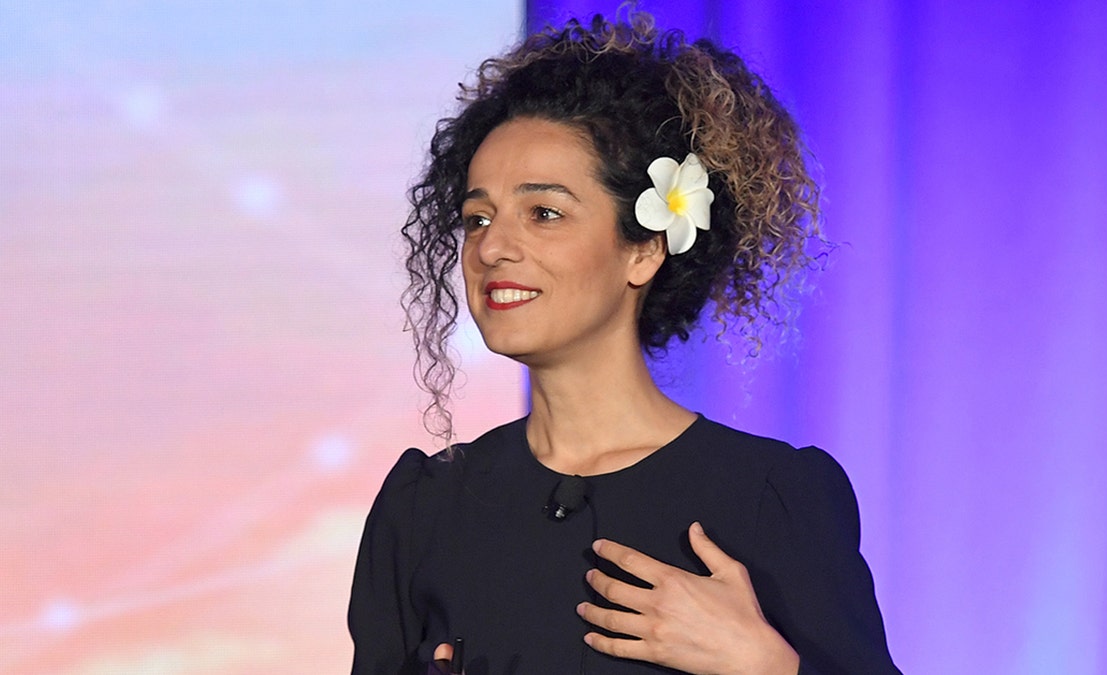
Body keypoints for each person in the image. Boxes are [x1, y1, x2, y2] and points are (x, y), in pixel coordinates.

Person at [349, 11, 901, 675]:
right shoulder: (424, 507)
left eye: (543, 212)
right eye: (477, 217)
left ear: (644, 248)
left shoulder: (770, 494)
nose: (492, 247)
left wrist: (762, 664)